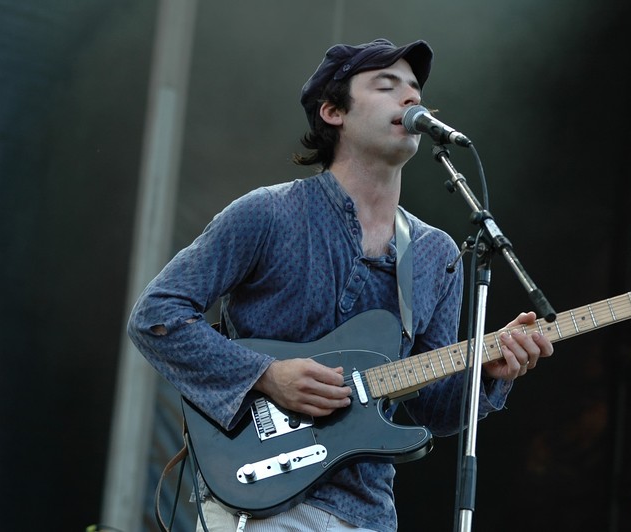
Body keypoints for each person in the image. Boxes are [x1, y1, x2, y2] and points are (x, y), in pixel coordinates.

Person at [128, 38, 554, 532]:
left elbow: (431, 408)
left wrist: (487, 372)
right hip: (260, 504)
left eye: (415, 90)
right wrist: (266, 374)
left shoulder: (437, 253)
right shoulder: (268, 213)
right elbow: (156, 315)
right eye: (386, 86)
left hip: (368, 514)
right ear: (333, 111)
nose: (410, 99)